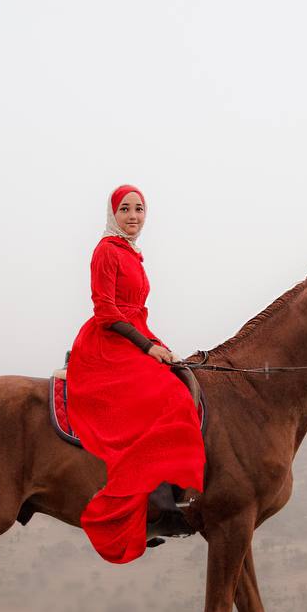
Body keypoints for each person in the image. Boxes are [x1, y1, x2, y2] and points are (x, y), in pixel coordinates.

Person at [66, 184, 206, 564]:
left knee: (180, 379)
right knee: (168, 397)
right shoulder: (106, 251)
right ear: (113, 214)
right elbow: (107, 312)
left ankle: (165, 489)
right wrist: (147, 347)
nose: (132, 216)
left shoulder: (132, 253)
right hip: (107, 343)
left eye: (139, 209)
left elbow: (136, 312)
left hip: (134, 337)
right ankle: (159, 501)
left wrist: (157, 344)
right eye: (125, 209)